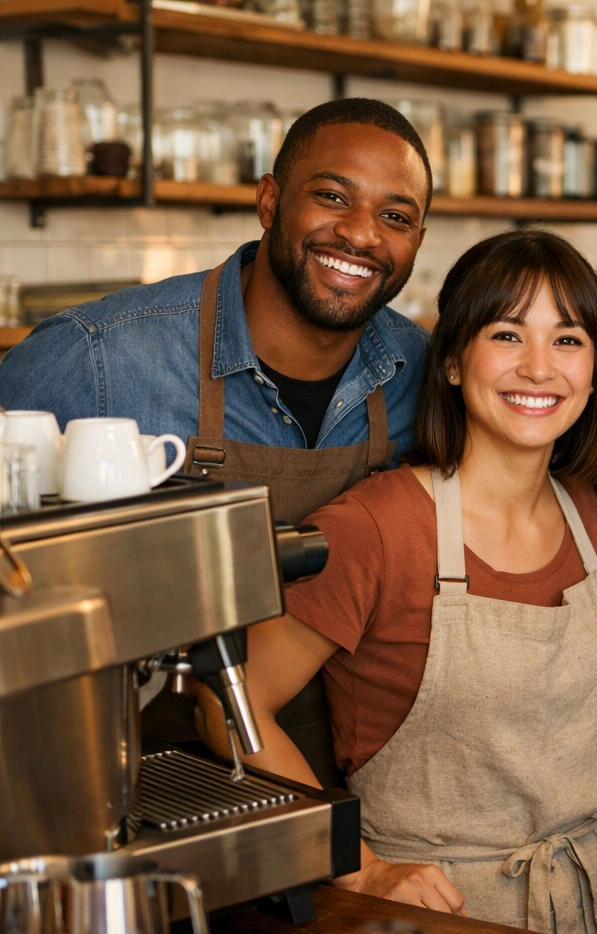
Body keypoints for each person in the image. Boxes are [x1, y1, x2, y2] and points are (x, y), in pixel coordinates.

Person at [197, 230, 597, 934]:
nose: (539, 368)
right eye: (507, 334)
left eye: (567, 340)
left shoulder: (586, 510)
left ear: (596, 370)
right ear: (449, 361)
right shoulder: (376, 526)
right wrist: (358, 867)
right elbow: (228, 703)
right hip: (446, 925)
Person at [0, 98, 434, 787]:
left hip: (341, 788)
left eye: (395, 216)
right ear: (268, 200)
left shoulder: (422, 370)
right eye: (331, 196)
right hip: (116, 781)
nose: (360, 234)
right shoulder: (100, 358)